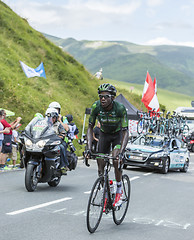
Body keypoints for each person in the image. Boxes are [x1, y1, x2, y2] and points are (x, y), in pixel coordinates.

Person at [86, 83, 129, 208]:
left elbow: (126, 132)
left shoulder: (120, 108)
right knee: (100, 163)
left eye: (106, 96)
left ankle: (119, 190)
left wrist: (121, 152)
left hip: (117, 136)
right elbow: (90, 127)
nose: (103, 99)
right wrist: (89, 148)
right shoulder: (96, 106)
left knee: (116, 159)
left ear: (113, 98)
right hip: (104, 135)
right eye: (101, 96)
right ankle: (106, 188)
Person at [45, 107, 69, 175]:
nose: (51, 119)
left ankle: (63, 165)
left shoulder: (58, 125)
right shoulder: (44, 124)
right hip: (45, 142)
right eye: (49, 117)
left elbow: (63, 133)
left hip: (55, 142)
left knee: (61, 147)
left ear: (56, 118)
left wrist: (58, 137)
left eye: (53, 117)